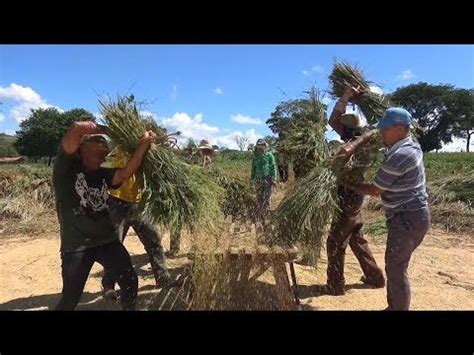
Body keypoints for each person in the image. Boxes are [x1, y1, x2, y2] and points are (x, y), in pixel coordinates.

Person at [52, 121, 156, 310]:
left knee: (130, 281)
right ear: (83, 147)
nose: (106, 149)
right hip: (77, 245)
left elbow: (125, 172)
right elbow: (76, 128)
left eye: (106, 147)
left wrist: (142, 144)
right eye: (101, 144)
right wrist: (114, 129)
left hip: (106, 241)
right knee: (70, 299)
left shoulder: (102, 174)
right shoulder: (65, 169)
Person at [348, 107, 430, 310]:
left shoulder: (400, 155)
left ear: (400, 128)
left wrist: (348, 182)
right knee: (395, 265)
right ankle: (393, 307)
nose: (382, 132)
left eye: (385, 129)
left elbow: (375, 190)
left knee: (395, 268)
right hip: (413, 216)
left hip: (406, 218)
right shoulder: (411, 144)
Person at [325, 86, 385, 296]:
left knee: (335, 240)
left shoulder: (369, 140)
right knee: (356, 237)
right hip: (349, 192)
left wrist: (353, 98)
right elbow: (333, 119)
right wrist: (347, 96)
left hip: (351, 193)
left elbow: (344, 151)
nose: (339, 126)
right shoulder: (353, 135)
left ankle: (335, 284)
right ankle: (375, 276)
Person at [101, 147, 181, 301]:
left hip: (138, 202)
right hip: (116, 202)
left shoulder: (146, 155)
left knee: (153, 240)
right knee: (113, 246)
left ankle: (162, 277)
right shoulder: (119, 151)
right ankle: (108, 286)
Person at [251, 138, 277, 221]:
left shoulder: (269, 155)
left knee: (267, 196)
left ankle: (267, 214)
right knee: (259, 196)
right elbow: (253, 168)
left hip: (268, 178)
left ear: (265, 146)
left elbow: (273, 167)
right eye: (259, 146)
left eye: (262, 146)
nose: (260, 148)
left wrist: (274, 178)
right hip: (258, 179)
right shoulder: (255, 156)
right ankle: (260, 214)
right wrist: (252, 179)